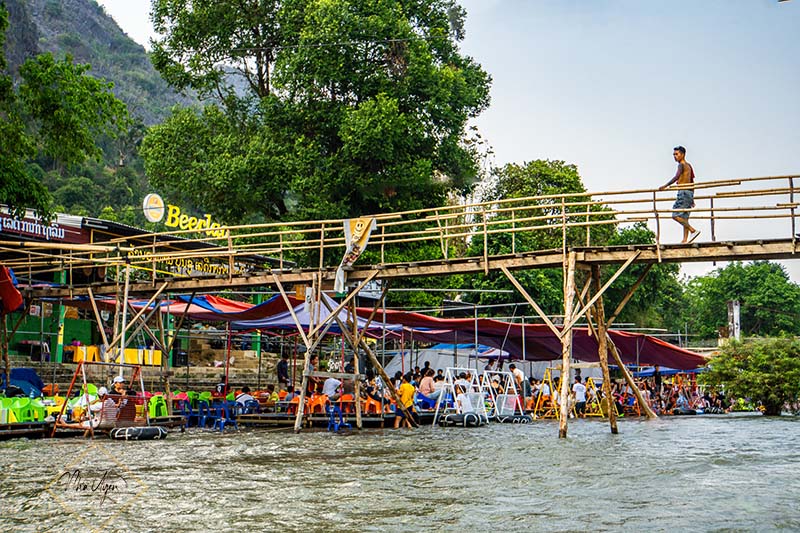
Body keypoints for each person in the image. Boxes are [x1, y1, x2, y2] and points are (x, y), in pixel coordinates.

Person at [659, 146, 699, 243]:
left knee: (675, 215)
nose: (675, 156)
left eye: (677, 154)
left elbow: (676, 176)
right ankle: (685, 239)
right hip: (689, 193)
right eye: (674, 154)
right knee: (684, 217)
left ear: (683, 154)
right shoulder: (689, 166)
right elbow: (691, 182)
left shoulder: (681, 165)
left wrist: (665, 186)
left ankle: (693, 230)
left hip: (683, 192)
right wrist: (692, 198)